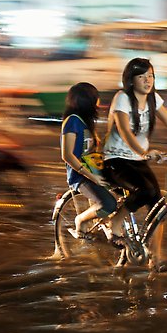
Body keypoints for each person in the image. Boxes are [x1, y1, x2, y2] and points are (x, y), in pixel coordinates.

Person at [102, 57, 167, 267]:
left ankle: (156, 257)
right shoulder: (122, 98)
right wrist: (145, 151)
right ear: (131, 80)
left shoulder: (154, 99)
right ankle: (115, 221)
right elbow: (125, 131)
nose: (148, 80)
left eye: (151, 76)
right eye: (142, 76)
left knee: (158, 206)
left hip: (138, 159)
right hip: (116, 160)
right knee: (144, 190)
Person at [60, 82, 117, 241]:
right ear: (87, 101)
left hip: (93, 171)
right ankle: (79, 221)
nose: (98, 102)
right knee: (109, 204)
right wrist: (92, 177)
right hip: (80, 176)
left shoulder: (86, 123)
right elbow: (67, 155)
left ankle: (111, 229)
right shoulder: (72, 121)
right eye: (96, 98)